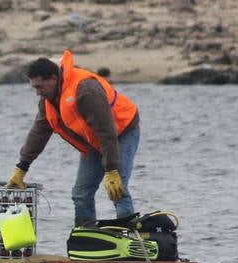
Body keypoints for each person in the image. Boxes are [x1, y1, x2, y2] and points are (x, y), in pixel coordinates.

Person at [7, 50, 140, 225]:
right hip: (94, 141)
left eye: (39, 87)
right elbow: (39, 133)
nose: (37, 92)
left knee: (117, 188)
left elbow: (106, 131)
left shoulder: (85, 89)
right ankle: (86, 239)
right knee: (81, 194)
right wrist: (22, 167)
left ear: (54, 79)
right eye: (34, 87)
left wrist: (111, 169)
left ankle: (130, 237)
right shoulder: (48, 99)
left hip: (122, 131)